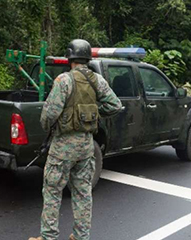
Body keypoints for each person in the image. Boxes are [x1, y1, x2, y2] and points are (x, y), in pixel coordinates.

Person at [29, 39, 122, 240]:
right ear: (87, 58)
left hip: (63, 146)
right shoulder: (97, 80)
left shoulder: (64, 80)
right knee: (82, 194)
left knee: (53, 191)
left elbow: (49, 114)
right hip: (87, 146)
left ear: (70, 58)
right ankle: (81, 237)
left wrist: (48, 126)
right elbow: (115, 105)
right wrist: (95, 113)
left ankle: (48, 237)